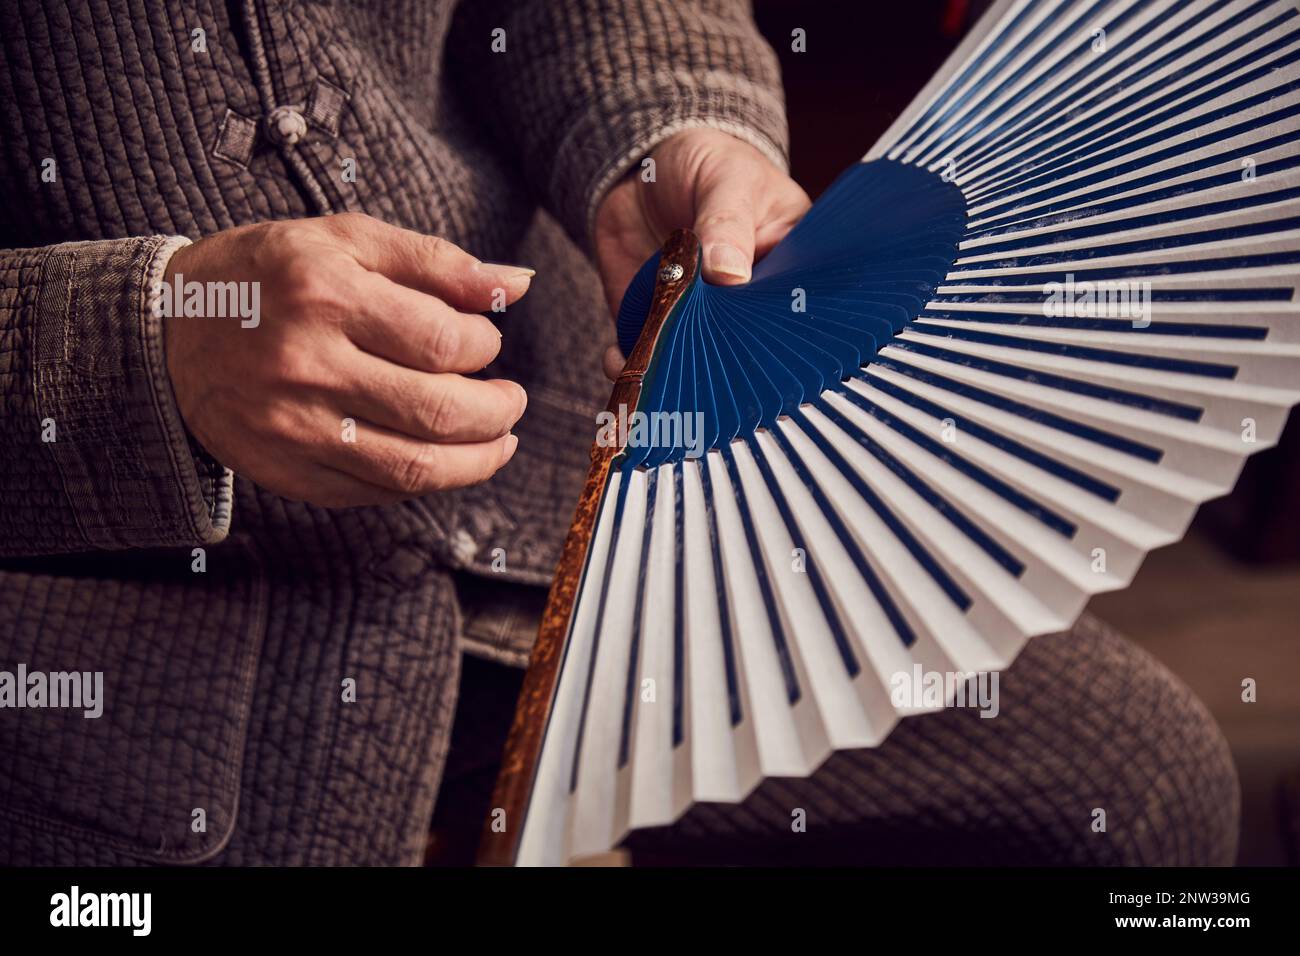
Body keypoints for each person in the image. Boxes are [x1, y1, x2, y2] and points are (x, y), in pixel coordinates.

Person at [0, 0, 1237, 866]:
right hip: (107, 638)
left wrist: (668, 129)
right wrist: (144, 350)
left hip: (568, 461)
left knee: (1129, 788)